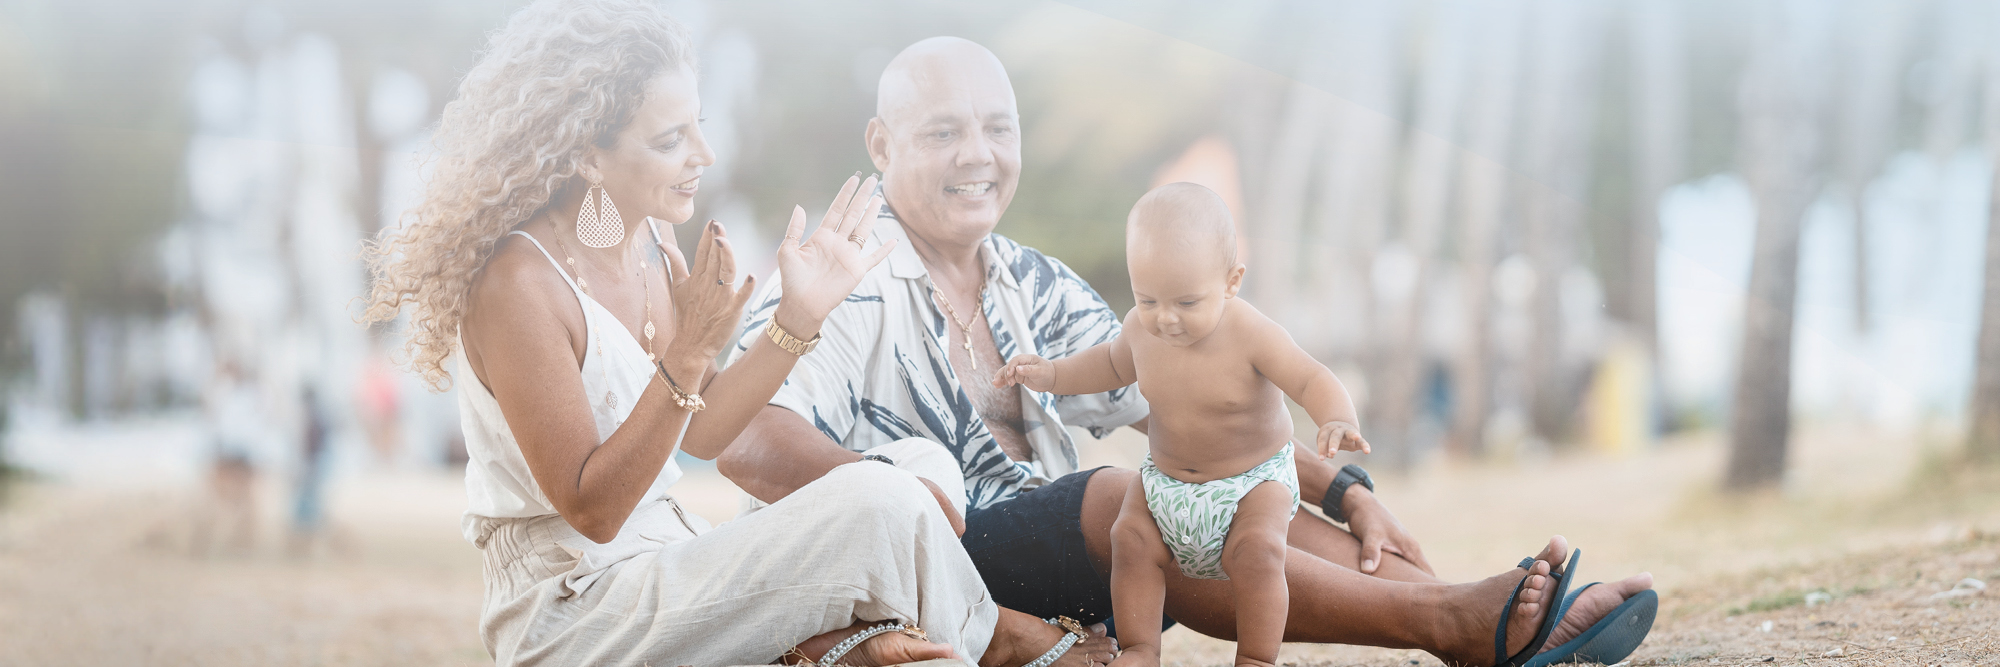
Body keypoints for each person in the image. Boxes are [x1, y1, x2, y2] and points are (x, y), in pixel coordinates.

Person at [721, 36, 1658, 667]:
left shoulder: (1028, 281)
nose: (979, 154)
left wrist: (1345, 489)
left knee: (1230, 485)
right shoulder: (842, 275)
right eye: (942, 132)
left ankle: (1481, 620)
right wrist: (906, 517)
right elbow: (746, 438)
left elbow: (1198, 407)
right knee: (1132, 498)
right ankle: (1457, 620)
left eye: (997, 128)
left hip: (1076, 564)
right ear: (882, 144)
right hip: (941, 564)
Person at [358, 3, 1117, 666]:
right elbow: (593, 509)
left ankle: (844, 643)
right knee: (885, 503)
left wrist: (797, 320)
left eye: (699, 127)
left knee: (916, 465)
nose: (704, 156)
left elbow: (705, 430)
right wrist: (688, 354)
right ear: (586, 153)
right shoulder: (518, 286)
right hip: (578, 607)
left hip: (675, 558)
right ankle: (996, 639)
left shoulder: (649, 241)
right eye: (669, 139)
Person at [994, 183, 1373, 667]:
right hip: (1164, 484)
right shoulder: (1139, 330)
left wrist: (1336, 416)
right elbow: (1108, 367)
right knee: (1128, 539)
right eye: (1147, 299)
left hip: (1251, 483)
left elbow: (1309, 376)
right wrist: (1051, 374)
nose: (1166, 318)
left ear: (1231, 281)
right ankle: (1141, 649)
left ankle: (1256, 657)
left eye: (1187, 302)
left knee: (1257, 553)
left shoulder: (1251, 333)